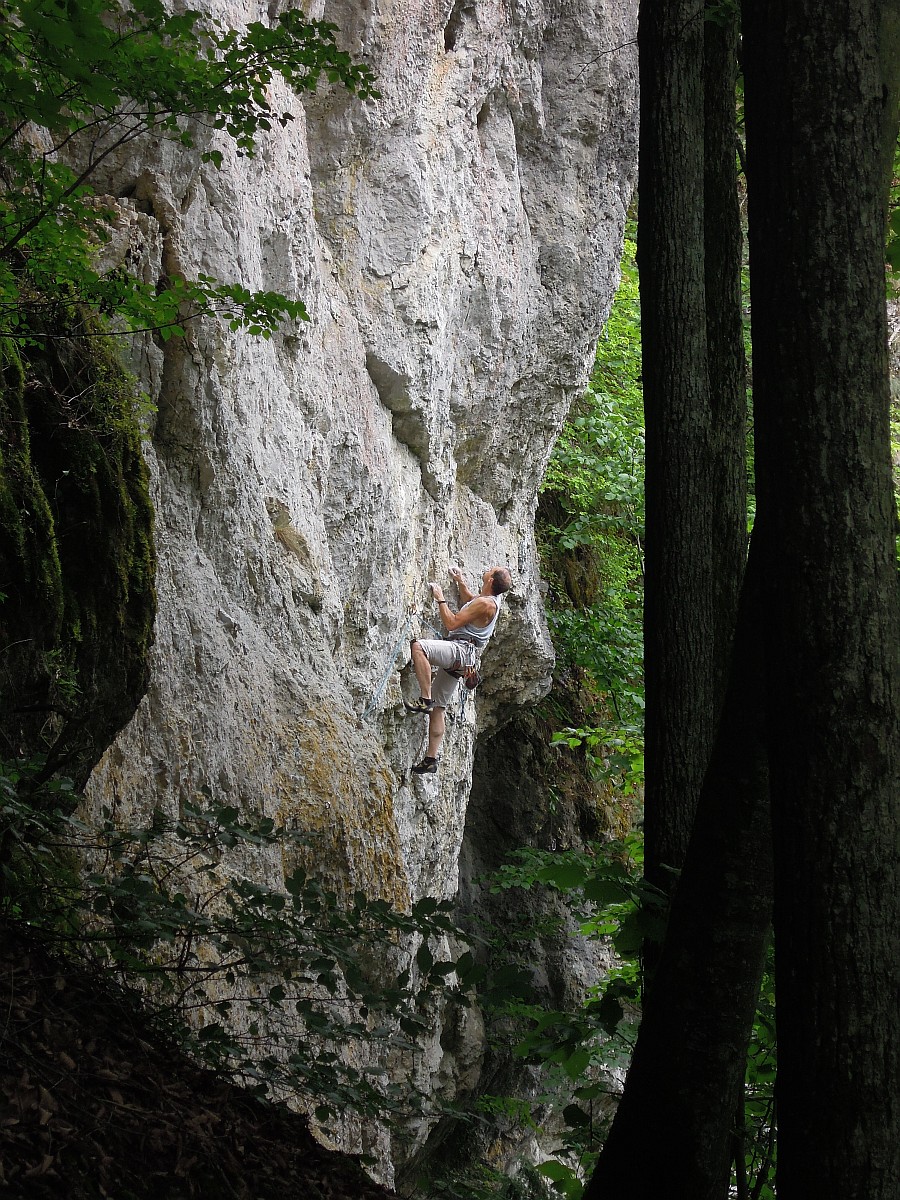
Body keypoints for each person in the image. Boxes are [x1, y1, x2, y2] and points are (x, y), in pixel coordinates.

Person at [406, 565, 512, 774]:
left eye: (492, 570)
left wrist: (440, 598)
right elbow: (472, 602)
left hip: (460, 650)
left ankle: (425, 698)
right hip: (466, 660)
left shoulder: (485, 603)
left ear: (490, 580)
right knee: (440, 707)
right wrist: (461, 582)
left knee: (419, 647)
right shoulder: (490, 601)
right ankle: (430, 759)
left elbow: (452, 623)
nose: (489, 569)